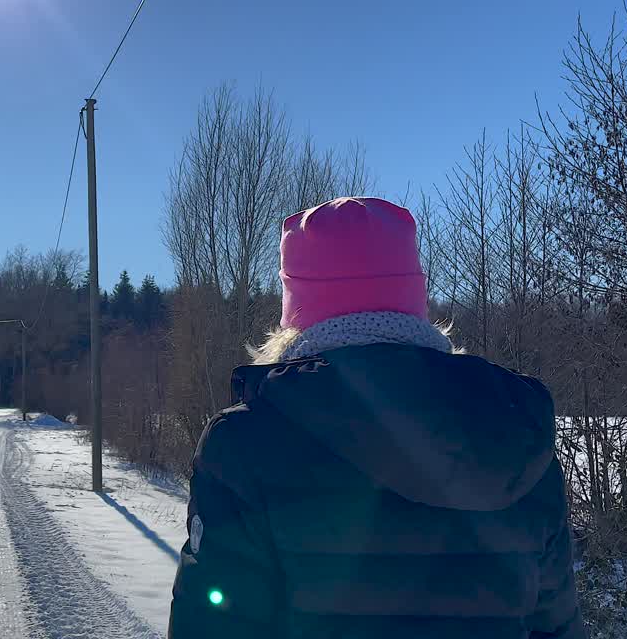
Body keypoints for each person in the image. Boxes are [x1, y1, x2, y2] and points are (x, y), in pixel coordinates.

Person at [168, 197, 584, 638]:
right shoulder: (514, 428)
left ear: (295, 311)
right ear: (414, 298)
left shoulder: (245, 441)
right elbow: (555, 627)